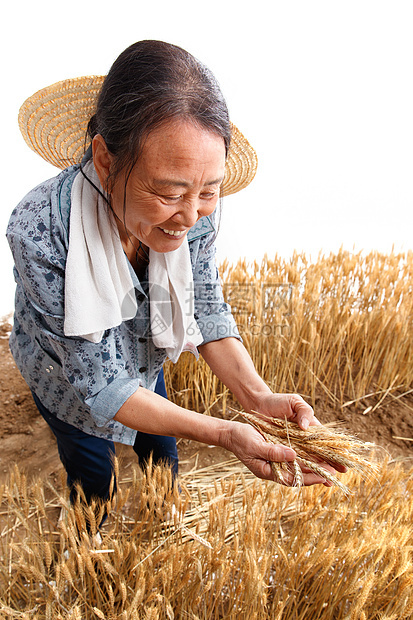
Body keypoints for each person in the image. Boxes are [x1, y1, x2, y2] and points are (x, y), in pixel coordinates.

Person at [7, 40, 344, 510]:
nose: (190, 217)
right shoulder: (39, 229)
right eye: (169, 193)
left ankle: (164, 523)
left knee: (164, 457)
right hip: (64, 378)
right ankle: (89, 543)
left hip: (142, 359)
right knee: (93, 473)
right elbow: (100, 383)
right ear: (105, 160)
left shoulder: (194, 213)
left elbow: (205, 309)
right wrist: (227, 434)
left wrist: (257, 397)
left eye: (209, 191)